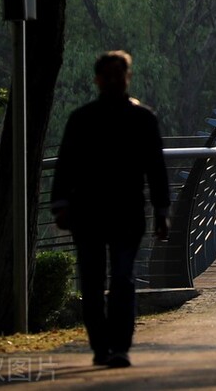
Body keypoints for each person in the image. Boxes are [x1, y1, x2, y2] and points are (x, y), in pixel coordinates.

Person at [50, 50, 170, 369]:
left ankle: (119, 346)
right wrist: (60, 205)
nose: (115, 81)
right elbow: (66, 165)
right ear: (98, 79)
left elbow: (156, 169)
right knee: (91, 282)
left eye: (120, 74)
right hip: (87, 213)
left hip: (127, 213)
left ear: (127, 77)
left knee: (122, 278)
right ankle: (100, 346)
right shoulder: (82, 119)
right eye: (109, 75)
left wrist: (161, 210)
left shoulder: (143, 119)